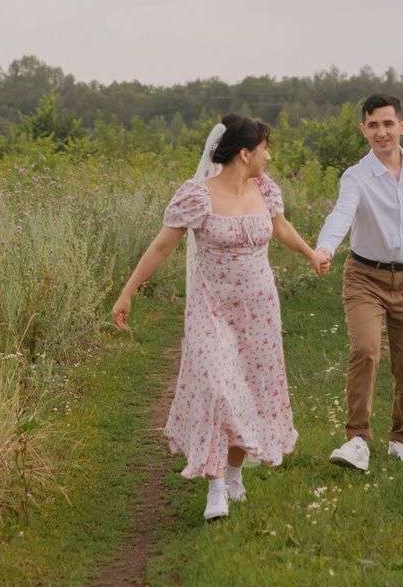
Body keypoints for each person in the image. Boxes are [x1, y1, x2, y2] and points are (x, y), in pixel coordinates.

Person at [111, 114, 330, 521]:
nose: (269, 155)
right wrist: (127, 294)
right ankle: (214, 490)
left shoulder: (265, 189)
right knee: (216, 389)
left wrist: (312, 254)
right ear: (245, 153)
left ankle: (233, 475)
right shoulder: (196, 196)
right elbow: (161, 247)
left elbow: (280, 229)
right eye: (265, 148)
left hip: (259, 312)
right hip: (211, 309)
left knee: (250, 392)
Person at [313, 93, 403, 472]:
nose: (381, 132)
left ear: (402, 126)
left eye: (388, 124)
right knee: (366, 350)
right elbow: (341, 213)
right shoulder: (356, 176)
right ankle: (357, 439)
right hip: (365, 278)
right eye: (373, 125)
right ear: (363, 130)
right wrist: (324, 249)